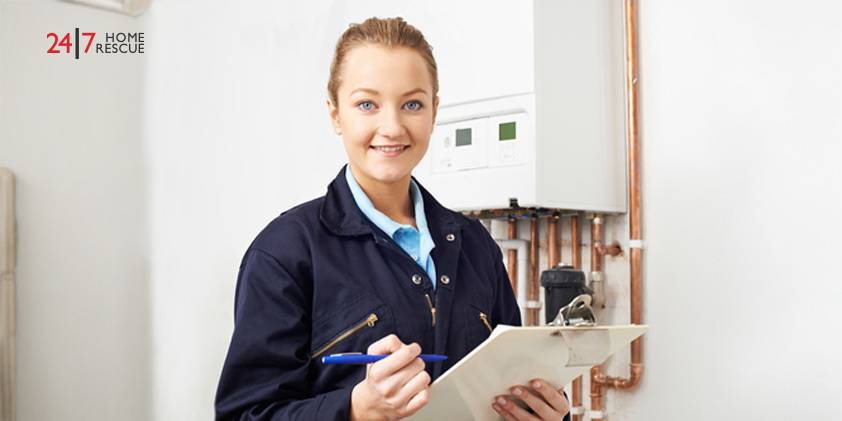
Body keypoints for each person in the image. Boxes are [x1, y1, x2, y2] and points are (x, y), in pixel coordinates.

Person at [215, 17, 571, 421]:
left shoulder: (476, 245)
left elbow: (510, 389)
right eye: (367, 104)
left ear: (434, 112)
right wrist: (354, 410)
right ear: (335, 114)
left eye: (412, 104)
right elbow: (244, 414)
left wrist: (546, 415)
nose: (392, 126)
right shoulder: (285, 253)